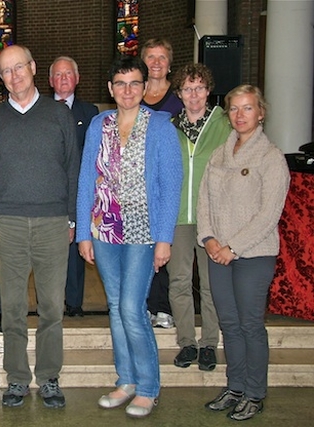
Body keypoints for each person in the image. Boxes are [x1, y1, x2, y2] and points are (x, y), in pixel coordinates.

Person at [76, 56, 182, 418]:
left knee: (132, 309)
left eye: (135, 83)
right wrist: (83, 232)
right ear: (110, 88)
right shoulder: (98, 124)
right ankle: (127, 381)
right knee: (116, 308)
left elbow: (171, 187)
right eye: (120, 83)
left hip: (142, 231)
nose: (127, 90)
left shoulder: (162, 126)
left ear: (145, 86)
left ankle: (149, 386)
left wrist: (164, 238)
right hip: (104, 229)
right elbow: (86, 179)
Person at [0, 45, 79, 409]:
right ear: (1, 78)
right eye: (6, 71)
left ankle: (50, 377)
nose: (14, 76)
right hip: (8, 221)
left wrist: (71, 217)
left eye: (19, 67)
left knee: (53, 306)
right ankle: (18, 379)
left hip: (53, 221)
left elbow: (73, 168)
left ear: (33, 68)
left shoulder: (58, 115)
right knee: (11, 307)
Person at [198, 85, 290, 421]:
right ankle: (234, 386)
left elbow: (269, 214)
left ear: (260, 112)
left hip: (253, 254)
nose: (239, 115)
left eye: (247, 108)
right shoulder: (220, 154)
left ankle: (254, 392)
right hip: (217, 252)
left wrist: (233, 248)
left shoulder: (271, 157)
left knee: (250, 324)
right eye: (234, 109)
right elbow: (204, 199)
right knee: (229, 324)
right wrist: (208, 238)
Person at [167, 63, 231, 371]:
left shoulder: (224, 125)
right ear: (179, 94)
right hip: (178, 215)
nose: (194, 95)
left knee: (210, 283)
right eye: (187, 89)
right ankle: (187, 343)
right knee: (178, 280)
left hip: (212, 217)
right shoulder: (170, 126)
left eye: (200, 88)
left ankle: (209, 343)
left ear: (209, 91)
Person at [49, 56, 99, 318]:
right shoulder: (41, 110)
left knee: (76, 249)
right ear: (50, 81)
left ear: (77, 79)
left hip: (79, 191)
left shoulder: (90, 113)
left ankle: (74, 302)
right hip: (48, 192)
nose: (64, 79)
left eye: (68, 74)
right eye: (58, 75)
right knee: (48, 252)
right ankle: (52, 302)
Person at [140, 38, 183, 328]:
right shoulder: (133, 93)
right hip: (138, 183)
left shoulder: (179, 99)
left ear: (169, 63)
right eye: (151, 57)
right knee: (141, 248)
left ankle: (164, 307)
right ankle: (142, 304)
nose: (156, 63)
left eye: (162, 58)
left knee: (165, 244)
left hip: (165, 179)